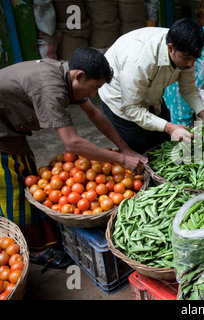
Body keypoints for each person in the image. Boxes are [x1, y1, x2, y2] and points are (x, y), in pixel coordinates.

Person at [0, 47, 146, 266]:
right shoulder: (51, 89)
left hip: (12, 125)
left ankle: (44, 237)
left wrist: (123, 147)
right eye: (94, 87)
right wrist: (122, 160)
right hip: (3, 130)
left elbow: (95, 114)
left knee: (27, 175)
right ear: (79, 76)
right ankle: (33, 250)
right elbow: (73, 143)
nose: (94, 94)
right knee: (11, 187)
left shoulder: (66, 76)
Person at [99, 18, 204, 155]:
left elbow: (188, 88)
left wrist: (203, 113)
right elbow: (130, 107)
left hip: (151, 96)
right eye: (186, 58)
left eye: (194, 59)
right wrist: (170, 127)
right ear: (170, 48)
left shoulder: (186, 52)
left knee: (163, 143)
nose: (190, 64)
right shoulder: (140, 61)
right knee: (138, 149)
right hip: (121, 100)